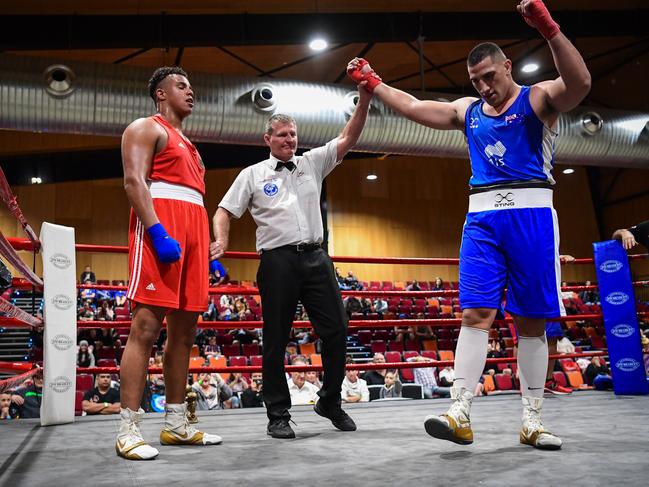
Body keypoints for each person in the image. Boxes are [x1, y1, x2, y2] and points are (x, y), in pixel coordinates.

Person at [347, 0, 591, 450]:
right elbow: (416, 107)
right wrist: (375, 83)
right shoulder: (469, 111)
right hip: (481, 219)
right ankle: (459, 410)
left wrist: (549, 29)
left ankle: (532, 420)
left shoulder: (536, 99)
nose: (484, 87)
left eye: (490, 77)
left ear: (507, 67)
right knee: (475, 314)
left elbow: (580, 83)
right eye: (476, 80)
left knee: (532, 322)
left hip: (532, 215)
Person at [212, 83, 373, 439]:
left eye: (293, 134)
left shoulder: (312, 162)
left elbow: (349, 135)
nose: (289, 139)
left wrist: (365, 100)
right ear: (267, 138)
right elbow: (223, 210)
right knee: (276, 337)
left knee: (337, 330)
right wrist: (221, 239)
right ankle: (278, 414)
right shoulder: (252, 174)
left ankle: (329, 400)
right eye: (282, 134)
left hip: (316, 257)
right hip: (277, 262)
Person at [117, 66, 221, 460]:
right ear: (161, 94)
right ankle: (128, 428)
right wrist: (157, 232)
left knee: (184, 332)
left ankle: (176, 423)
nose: (190, 91)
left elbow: (193, 197)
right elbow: (134, 182)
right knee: (145, 327)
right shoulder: (146, 127)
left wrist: (204, 243)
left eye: (191, 86)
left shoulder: (189, 144)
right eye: (181, 86)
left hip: (192, 232)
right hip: (162, 225)